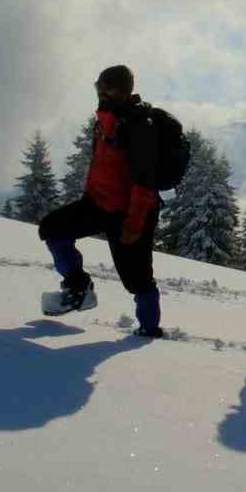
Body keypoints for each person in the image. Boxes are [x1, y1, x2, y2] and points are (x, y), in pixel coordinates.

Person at [38, 65, 163, 337]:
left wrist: (133, 225)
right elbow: (102, 165)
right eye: (98, 88)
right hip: (98, 203)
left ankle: (150, 330)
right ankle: (78, 288)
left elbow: (145, 183)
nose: (100, 94)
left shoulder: (139, 126)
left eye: (105, 89)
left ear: (120, 90)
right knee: (52, 228)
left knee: (137, 278)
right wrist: (88, 196)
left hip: (130, 213)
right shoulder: (106, 120)